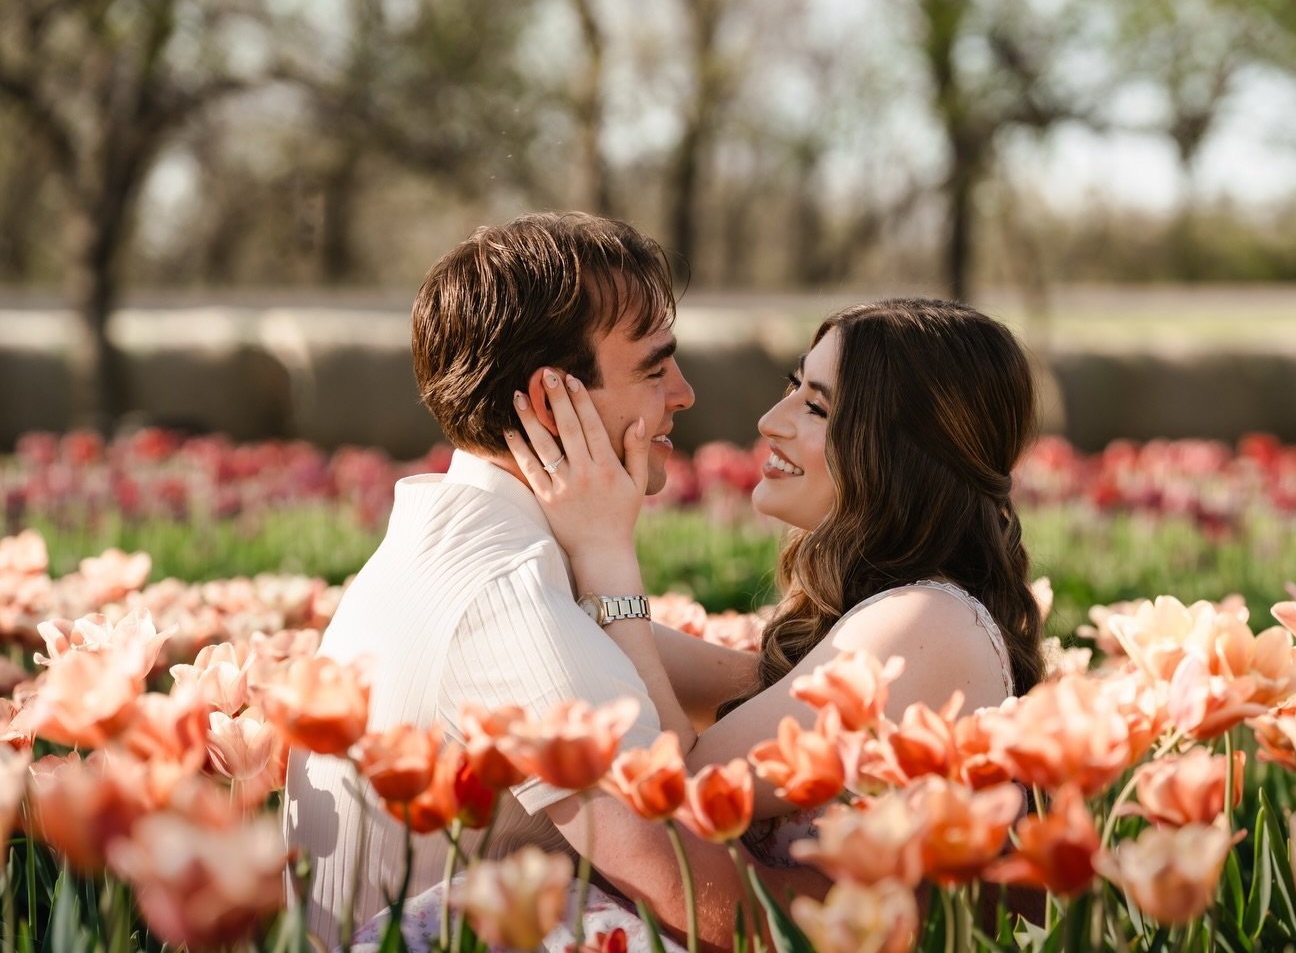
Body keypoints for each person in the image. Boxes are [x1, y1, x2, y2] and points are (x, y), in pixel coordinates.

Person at [372, 296, 1047, 949]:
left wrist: (608, 555)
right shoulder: (902, 616)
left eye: (814, 405)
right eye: (792, 388)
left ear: (902, 451)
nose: (771, 421)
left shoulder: (925, 619)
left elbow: (688, 788)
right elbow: (689, 669)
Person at [283, 211, 823, 952]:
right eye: (654, 367)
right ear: (549, 401)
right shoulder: (505, 600)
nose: (685, 393)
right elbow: (707, 906)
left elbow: (746, 687)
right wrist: (937, 900)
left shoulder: (455, 537)